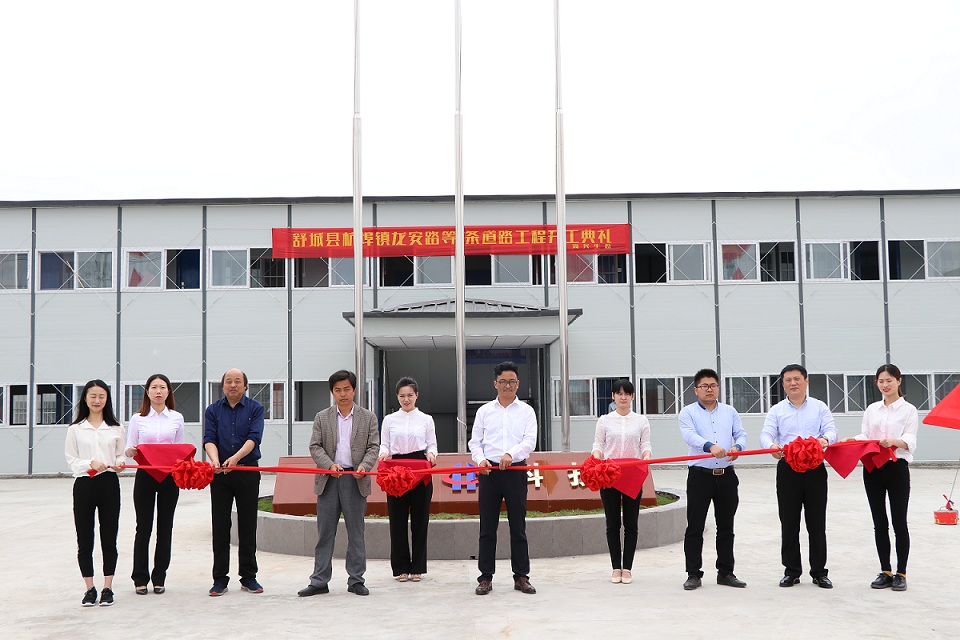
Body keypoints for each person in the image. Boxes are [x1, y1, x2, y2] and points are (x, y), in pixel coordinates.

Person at [298, 370, 380, 597]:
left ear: (354, 390)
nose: (342, 394)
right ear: (332, 392)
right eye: (337, 390)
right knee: (325, 532)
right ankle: (319, 580)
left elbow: (374, 447)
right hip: (329, 480)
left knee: (356, 533)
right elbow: (315, 446)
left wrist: (364, 466)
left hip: (355, 479)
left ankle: (356, 580)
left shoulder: (368, 417)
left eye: (346, 389)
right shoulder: (322, 417)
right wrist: (328, 464)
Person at [760, 363, 837, 588]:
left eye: (797, 379)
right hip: (788, 469)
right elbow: (766, 435)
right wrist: (771, 446)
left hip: (815, 469)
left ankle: (819, 572)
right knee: (789, 522)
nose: (793, 383)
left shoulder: (819, 407)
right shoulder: (776, 410)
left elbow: (832, 430)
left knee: (816, 522)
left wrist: (825, 439)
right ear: (783, 384)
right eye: (788, 380)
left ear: (806, 381)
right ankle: (791, 571)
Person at [468, 361, 538, 596]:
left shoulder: (526, 411)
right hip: (489, 473)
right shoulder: (484, 411)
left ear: (518, 384)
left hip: (515, 471)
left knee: (518, 526)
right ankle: (485, 577)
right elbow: (475, 442)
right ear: (495, 383)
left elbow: (530, 441)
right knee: (487, 528)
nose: (508, 386)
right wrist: (480, 460)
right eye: (503, 381)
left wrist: (511, 454)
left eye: (512, 381)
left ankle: (521, 576)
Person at [677, 368, 748, 591]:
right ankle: (693, 574)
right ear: (696, 389)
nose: (709, 389)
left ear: (718, 387)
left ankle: (726, 572)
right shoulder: (688, 413)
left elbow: (741, 433)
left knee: (726, 526)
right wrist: (710, 446)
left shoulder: (729, 411)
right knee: (695, 526)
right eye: (705, 386)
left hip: (727, 476)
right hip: (700, 476)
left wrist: (738, 447)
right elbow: (690, 436)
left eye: (713, 385)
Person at [851, 364, 918, 592]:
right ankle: (886, 571)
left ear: (899, 381)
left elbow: (910, 439)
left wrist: (894, 441)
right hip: (872, 468)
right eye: (881, 381)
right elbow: (866, 434)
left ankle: (901, 573)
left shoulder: (908, 410)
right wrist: (854, 440)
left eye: (889, 380)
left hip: (896, 467)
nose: (885, 385)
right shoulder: (872, 409)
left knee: (899, 522)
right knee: (879, 522)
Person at [203, 368, 264, 597]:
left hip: (247, 470)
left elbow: (254, 438)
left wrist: (236, 459)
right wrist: (215, 460)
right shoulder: (213, 410)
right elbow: (209, 439)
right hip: (219, 473)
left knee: (248, 525)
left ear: (245, 385)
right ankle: (219, 579)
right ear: (223, 386)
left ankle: (248, 576)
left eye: (238, 381)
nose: (233, 385)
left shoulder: (255, 408)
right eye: (228, 381)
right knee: (220, 526)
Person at [65, 379, 126, 607]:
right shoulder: (75, 429)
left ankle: (108, 587)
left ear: (107, 399)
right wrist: (89, 462)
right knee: (84, 538)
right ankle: (89, 588)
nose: (97, 400)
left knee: (109, 537)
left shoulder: (116, 427)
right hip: (84, 484)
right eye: (93, 396)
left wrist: (119, 463)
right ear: (85, 399)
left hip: (109, 483)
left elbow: (120, 455)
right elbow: (72, 460)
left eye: (101, 396)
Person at [125, 374, 186, 595]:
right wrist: (131, 451)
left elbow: (179, 448)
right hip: (145, 475)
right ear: (147, 392)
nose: (158, 391)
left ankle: (159, 577)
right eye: (154, 387)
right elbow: (129, 448)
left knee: (165, 527)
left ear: (168, 391)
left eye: (162, 387)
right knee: (143, 527)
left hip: (169, 477)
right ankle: (140, 578)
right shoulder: (137, 419)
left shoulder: (177, 418)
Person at [591, 378, 652, 585]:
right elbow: (598, 444)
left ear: (632, 396)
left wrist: (646, 456)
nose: (623, 397)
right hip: (609, 475)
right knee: (613, 523)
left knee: (631, 523)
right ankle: (616, 567)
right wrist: (596, 457)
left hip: (632, 474)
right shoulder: (605, 420)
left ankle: (628, 568)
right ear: (613, 396)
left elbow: (645, 444)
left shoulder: (641, 420)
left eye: (627, 393)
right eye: (619, 393)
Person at [378, 377, 438, 582]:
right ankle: (401, 568)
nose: (406, 399)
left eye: (410, 395)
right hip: (396, 470)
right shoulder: (389, 420)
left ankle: (418, 568)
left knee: (420, 520)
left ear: (416, 395)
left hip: (420, 468)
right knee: (397, 520)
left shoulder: (426, 419)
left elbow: (432, 444)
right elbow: (384, 444)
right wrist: (383, 454)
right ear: (397, 396)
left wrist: (432, 455)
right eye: (402, 396)